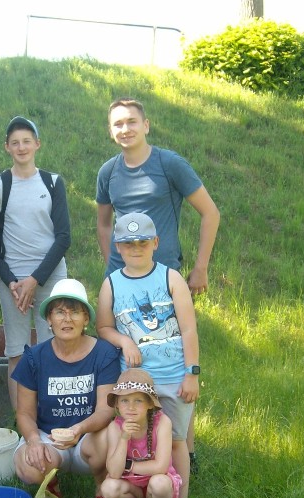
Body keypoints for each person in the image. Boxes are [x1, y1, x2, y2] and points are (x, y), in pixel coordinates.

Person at [96, 96, 220, 472]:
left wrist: (200, 268)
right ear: (110, 129)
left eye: (132, 121)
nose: (125, 129)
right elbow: (103, 221)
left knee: (174, 359)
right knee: (131, 365)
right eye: (117, 123)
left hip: (166, 280)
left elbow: (210, 212)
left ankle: (186, 451)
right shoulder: (108, 172)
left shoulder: (169, 165)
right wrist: (110, 267)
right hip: (124, 283)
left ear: (146, 125)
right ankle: (139, 450)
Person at [96, 212, 199, 498]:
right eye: (128, 244)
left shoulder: (171, 278)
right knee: (132, 437)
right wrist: (125, 341)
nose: (136, 248)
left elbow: (189, 329)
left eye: (142, 242)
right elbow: (104, 328)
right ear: (117, 246)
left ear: (155, 242)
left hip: (172, 377)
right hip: (134, 384)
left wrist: (191, 373)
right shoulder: (111, 284)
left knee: (177, 440)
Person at [12, 278, 121, 498]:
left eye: (75, 312)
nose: (67, 319)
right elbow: (24, 413)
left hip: (88, 438)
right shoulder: (34, 357)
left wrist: (78, 429)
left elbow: (107, 410)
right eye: (59, 312)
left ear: (86, 320)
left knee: (113, 435)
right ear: (49, 319)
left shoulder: (104, 353)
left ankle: (103, 491)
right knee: (28, 466)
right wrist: (33, 441)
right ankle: (51, 489)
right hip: (48, 437)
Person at [0, 116, 71, 410]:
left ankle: (53, 414)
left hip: (50, 277)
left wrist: (35, 280)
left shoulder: (53, 182)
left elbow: (63, 237)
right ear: (6, 147)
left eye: (26, 141)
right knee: (17, 351)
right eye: (15, 142)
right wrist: (12, 281)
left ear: (37, 144)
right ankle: (23, 420)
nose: (21, 147)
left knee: (56, 345)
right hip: (13, 282)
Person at [102, 368, 182, 498]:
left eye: (138, 400)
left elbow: (160, 467)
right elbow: (115, 473)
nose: (130, 407)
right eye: (124, 400)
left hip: (158, 485)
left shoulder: (162, 423)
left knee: (159, 482)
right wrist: (124, 438)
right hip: (132, 486)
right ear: (116, 404)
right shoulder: (115, 428)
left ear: (150, 404)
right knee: (108, 488)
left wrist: (128, 465)